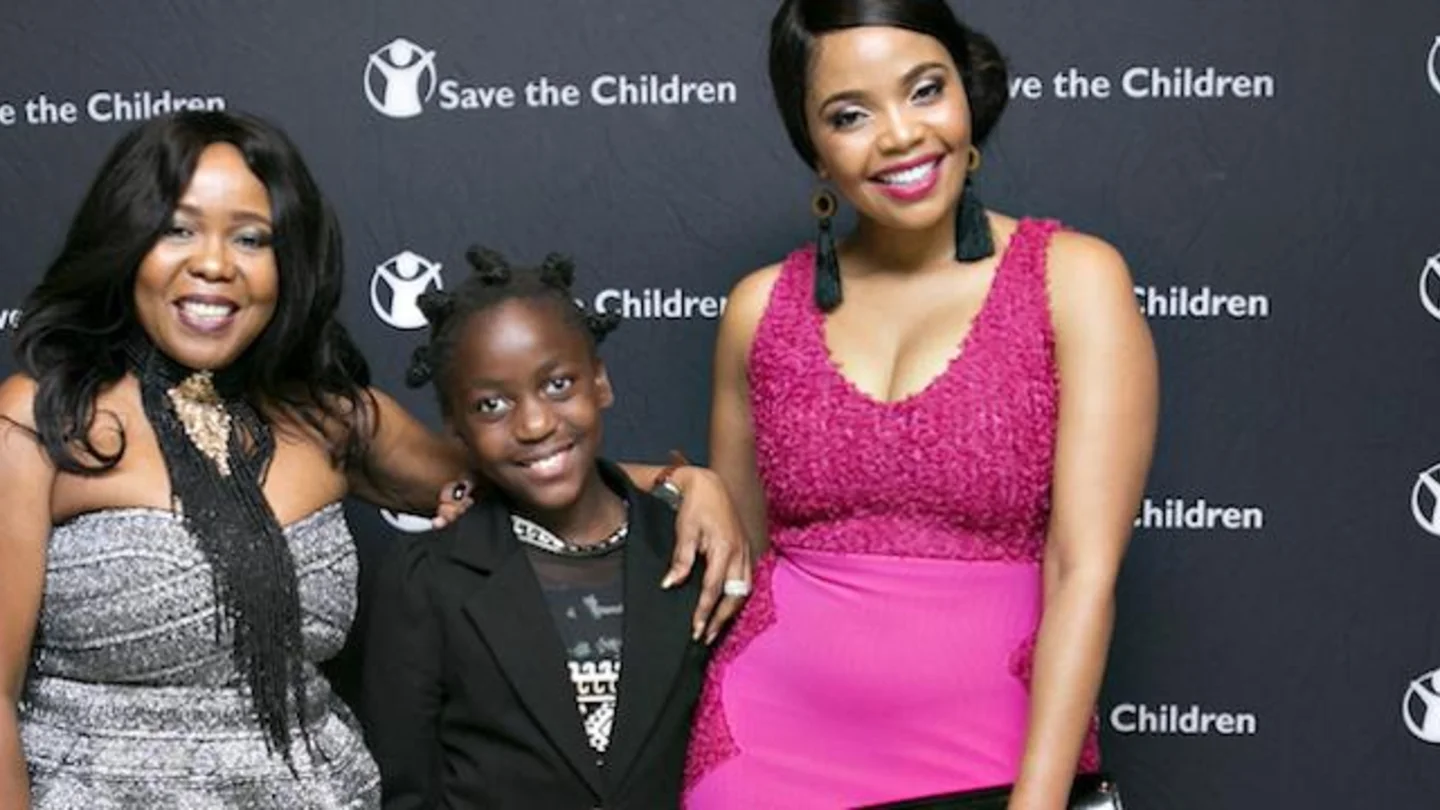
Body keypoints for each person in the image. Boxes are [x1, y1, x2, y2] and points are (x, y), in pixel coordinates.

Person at [0, 111, 748, 809]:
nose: (215, 264)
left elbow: (524, 459)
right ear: (127, 242)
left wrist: (684, 484)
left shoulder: (332, 420)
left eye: (252, 239)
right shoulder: (40, 420)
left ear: (288, 262)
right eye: (178, 230)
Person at [685, 1, 1158, 808]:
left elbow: (1083, 572)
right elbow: (742, 558)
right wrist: (682, 482)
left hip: (995, 762)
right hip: (764, 755)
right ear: (813, 147)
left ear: (966, 93)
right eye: (850, 115)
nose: (901, 135)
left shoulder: (1074, 280)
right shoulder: (758, 309)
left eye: (925, 90)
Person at [362, 248, 711, 809]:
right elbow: (406, 788)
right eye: (491, 404)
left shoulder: (689, 551)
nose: (534, 423)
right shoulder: (427, 577)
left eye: (558, 384)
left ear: (600, 381)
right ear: (455, 427)